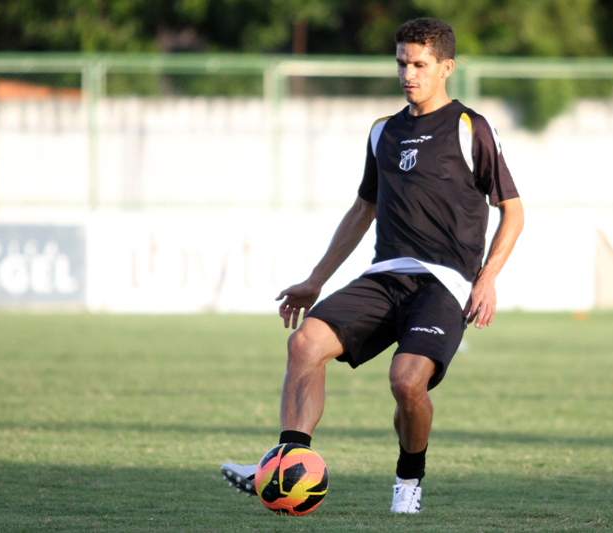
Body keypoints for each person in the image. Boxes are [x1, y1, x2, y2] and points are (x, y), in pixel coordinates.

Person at [221, 17, 524, 514]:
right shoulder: (383, 131)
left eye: (420, 64)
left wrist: (487, 279)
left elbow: (512, 210)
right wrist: (315, 281)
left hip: (444, 283)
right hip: (385, 276)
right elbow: (363, 209)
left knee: (406, 382)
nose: (408, 73)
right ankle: (285, 463)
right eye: (402, 63)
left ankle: (409, 479)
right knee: (304, 343)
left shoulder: (470, 127)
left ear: (446, 67)